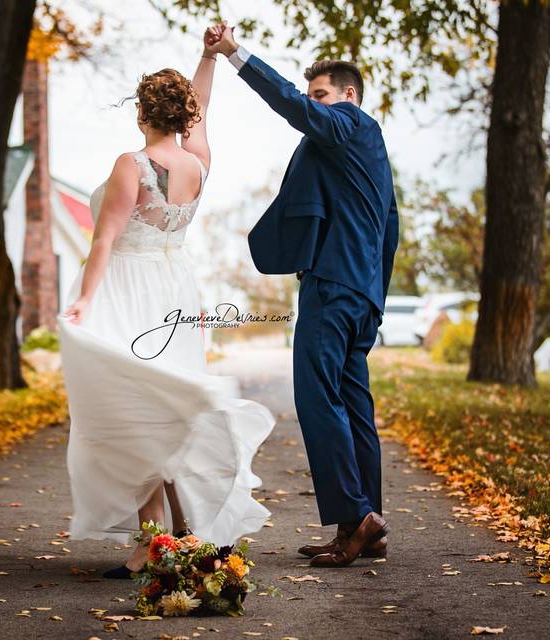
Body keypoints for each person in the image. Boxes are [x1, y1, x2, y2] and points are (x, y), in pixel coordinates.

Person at [57, 29, 275, 579]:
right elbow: (203, 116)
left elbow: (103, 240)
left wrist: (84, 300)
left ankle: (153, 539)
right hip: (176, 288)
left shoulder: (132, 164)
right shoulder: (197, 162)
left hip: (128, 288)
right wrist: (207, 58)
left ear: (140, 114)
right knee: (163, 403)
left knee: (136, 407)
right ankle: (174, 535)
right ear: (185, 115)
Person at [205, 24, 398, 568]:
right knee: (354, 405)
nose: (315, 106)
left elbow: (291, 105)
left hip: (333, 286)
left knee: (315, 398)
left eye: (322, 95)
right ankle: (368, 527)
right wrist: (375, 300)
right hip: (360, 293)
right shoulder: (372, 152)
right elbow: (392, 228)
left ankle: (355, 515)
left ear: (348, 96)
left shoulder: (346, 125)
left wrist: (234, 55)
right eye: (314, 96)